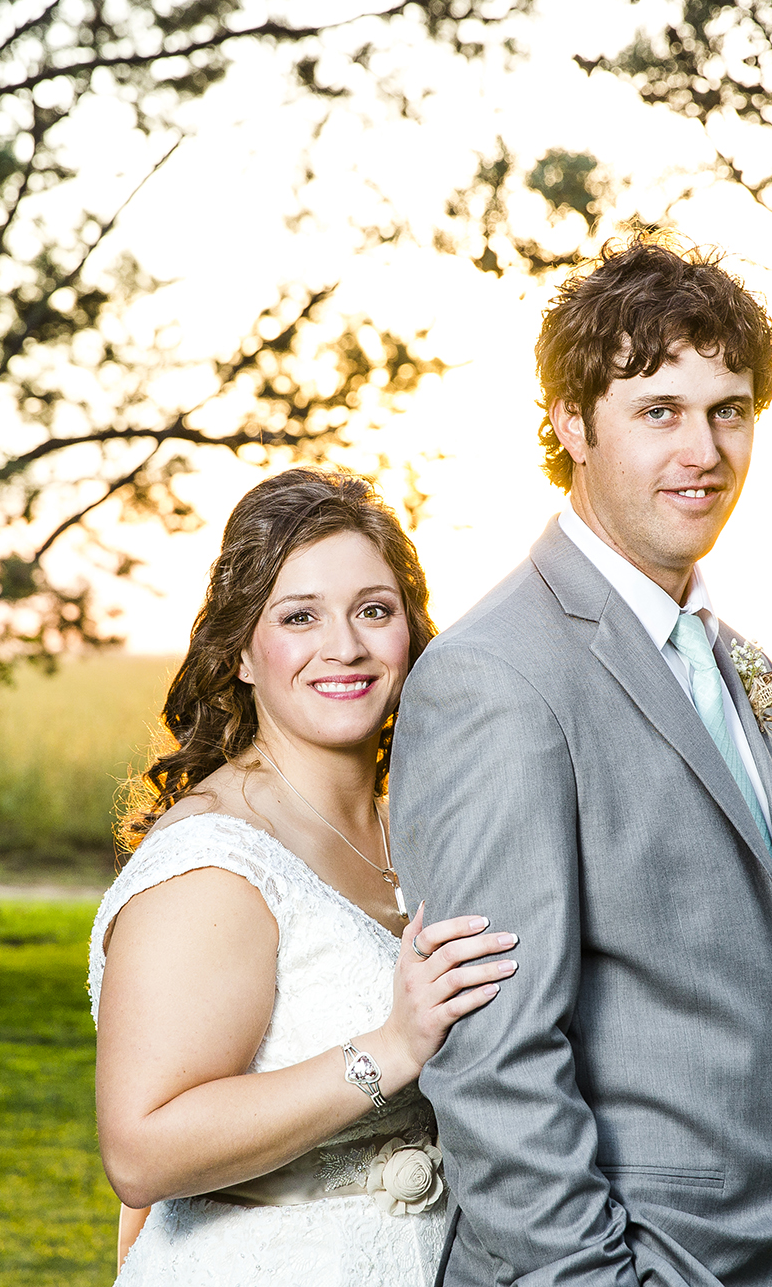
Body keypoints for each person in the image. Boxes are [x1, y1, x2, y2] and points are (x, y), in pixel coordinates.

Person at [390, 239, 772, 1287]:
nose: (703, 450)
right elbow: (493, 1061)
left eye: (729, 409)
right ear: (571, 423)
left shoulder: (731, 659)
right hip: (630, 1266)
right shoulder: (496, 678)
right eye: (657, 411)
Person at [90, 467, 515, 1286]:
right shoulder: (214, 861)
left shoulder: (425, 826)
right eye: (299, 616)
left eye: (373, 609)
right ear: (243, 652)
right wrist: (390, 1047)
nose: (345, 646)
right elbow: (140, 1154)